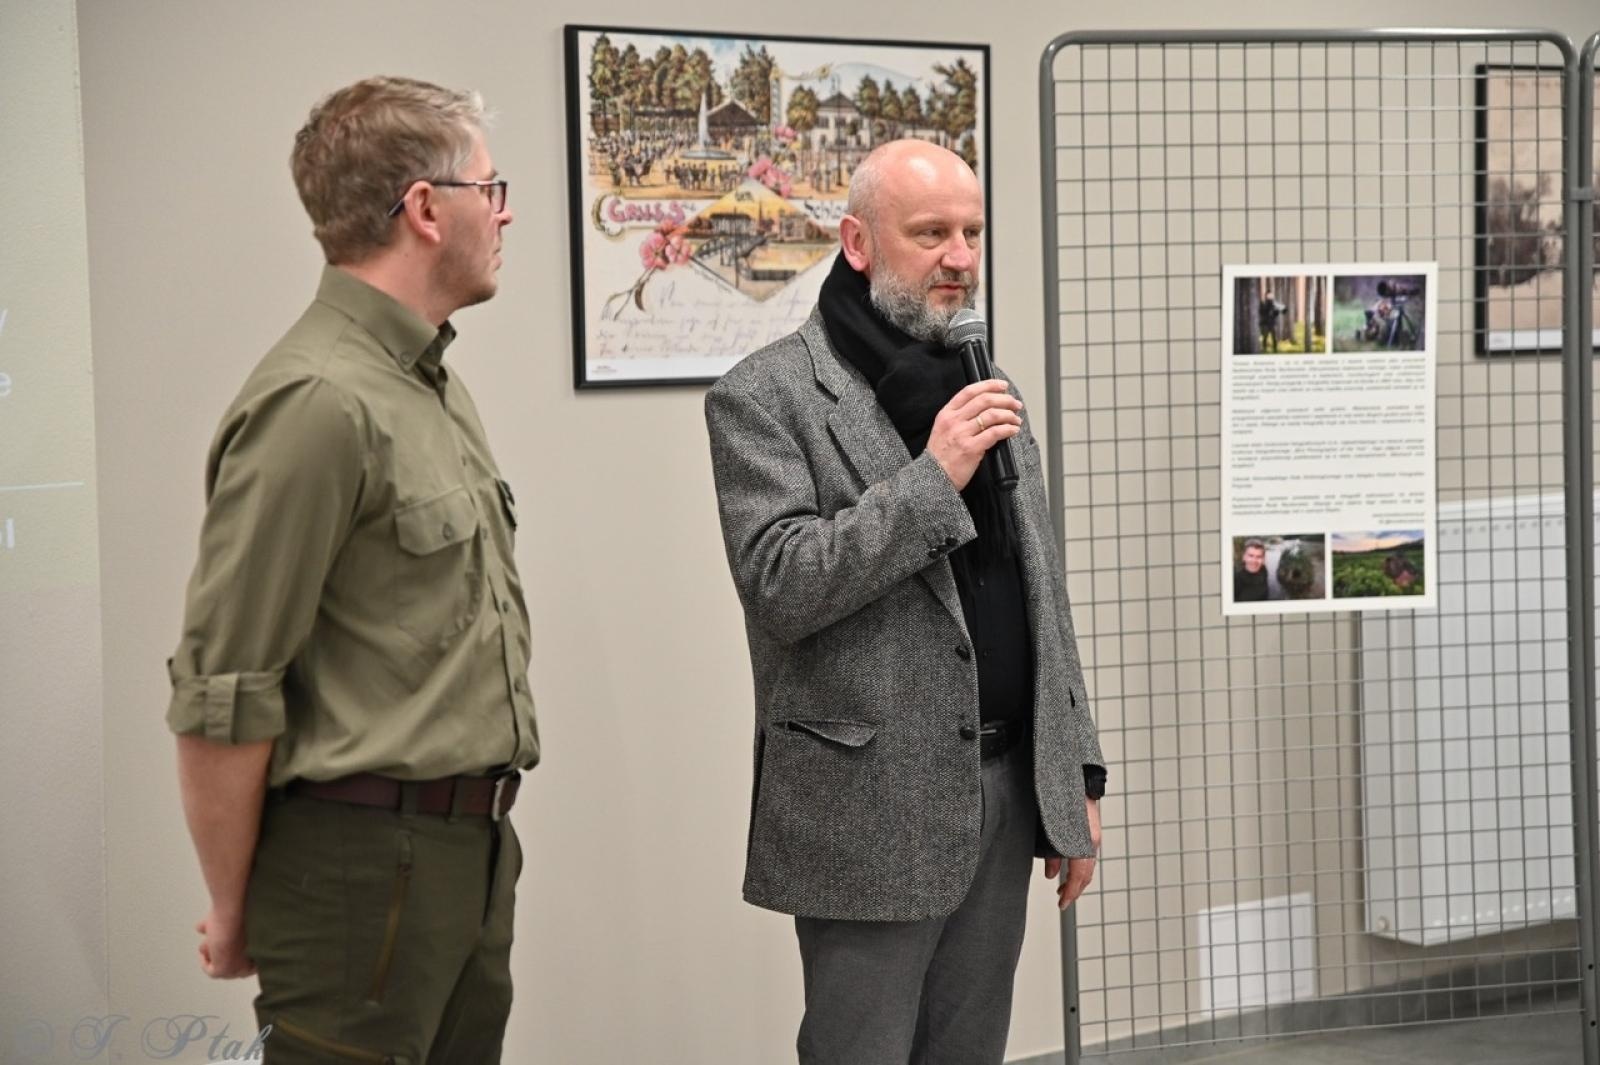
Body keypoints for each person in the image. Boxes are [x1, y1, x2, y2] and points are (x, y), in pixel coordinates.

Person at [704, 138, 1106, 1064]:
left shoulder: (979, 378)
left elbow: (1039, 584)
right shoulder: (763, 396)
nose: (960, 256)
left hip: (1004, 791)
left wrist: (1075, 772)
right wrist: (935, 479)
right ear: (857, 242)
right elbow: (783, 584)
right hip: (867, 804)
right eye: (930, 233)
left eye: (970, 231)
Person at [166, 76, 535, 1064]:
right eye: (490, 190)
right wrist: (232, 901)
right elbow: (224, 687)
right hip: (359, 869)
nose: (503, 215)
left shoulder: (426, 382)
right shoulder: (319, 400)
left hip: (469, 852)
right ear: (425, 209)